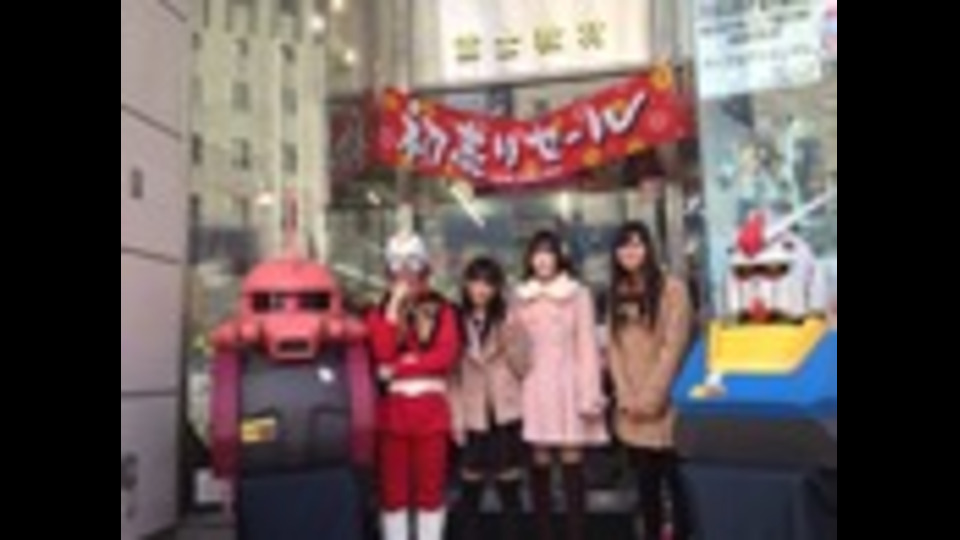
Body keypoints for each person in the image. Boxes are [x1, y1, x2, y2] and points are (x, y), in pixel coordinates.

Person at [513, 230, 608, 540]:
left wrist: (590, 393)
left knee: (572, 460)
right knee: (538, 460)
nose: (542, 259)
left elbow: (587, 347)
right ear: (530, 259)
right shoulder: (520, 296)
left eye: (549, 252)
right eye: (537, 253)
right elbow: (513, 346)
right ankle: (544, 532)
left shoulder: (577, 294)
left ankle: (576, 532)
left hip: (569, 383)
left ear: (559, 257)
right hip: (533, 385)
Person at [366, 232, 462, 540]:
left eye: (411, 261)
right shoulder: (379, 310)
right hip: (393, 412)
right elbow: (381, 352)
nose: (405, 270)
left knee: (430, 489)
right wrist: (394, 307)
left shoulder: (442, 308)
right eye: (397, 262)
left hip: (431, 411)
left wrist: (401, 366)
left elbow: (445, 356)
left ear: (423, 264)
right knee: (393, 491)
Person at [607, 221, 693, 540]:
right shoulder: (617, 292)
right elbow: (613, 349)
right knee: (645, 490)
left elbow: (674, 348)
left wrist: (651, 398)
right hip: (631, 410)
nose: (630, 252)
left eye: (636, 244)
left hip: (665, 406)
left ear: (649, 249)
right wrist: (625, 395)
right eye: (623, 246)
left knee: (677, 486)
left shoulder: (673, 290)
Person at [450, 256, 530, 540]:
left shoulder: (508, 319)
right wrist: (456, 418)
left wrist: (512, 335)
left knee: (510, 492)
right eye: (476, 281)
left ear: (497, 288)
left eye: (488, 283)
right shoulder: (455, 320)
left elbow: (523, 367)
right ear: (466, 285)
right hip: (472, 416)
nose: (481, 289)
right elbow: (452, 378)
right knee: (469, 493)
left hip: (504, 413)